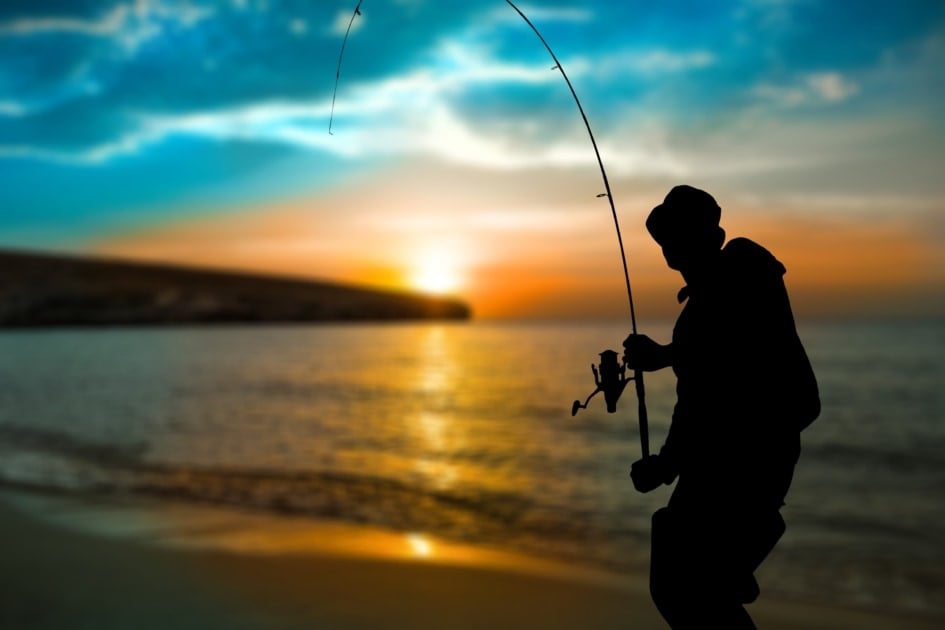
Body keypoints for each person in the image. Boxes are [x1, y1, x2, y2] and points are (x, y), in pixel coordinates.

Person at [623, 185, 820, 629]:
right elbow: (702, 387)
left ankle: (735, 572)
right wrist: (668, 464)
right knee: (686, 580)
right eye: (665, 242)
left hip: (747, 461)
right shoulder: (705, 304)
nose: (670, 252)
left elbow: (726, 354)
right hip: (721, 462)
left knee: (687, 588)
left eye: (676, 238)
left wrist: (666, 357)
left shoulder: (745, 266)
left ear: (711, 236)